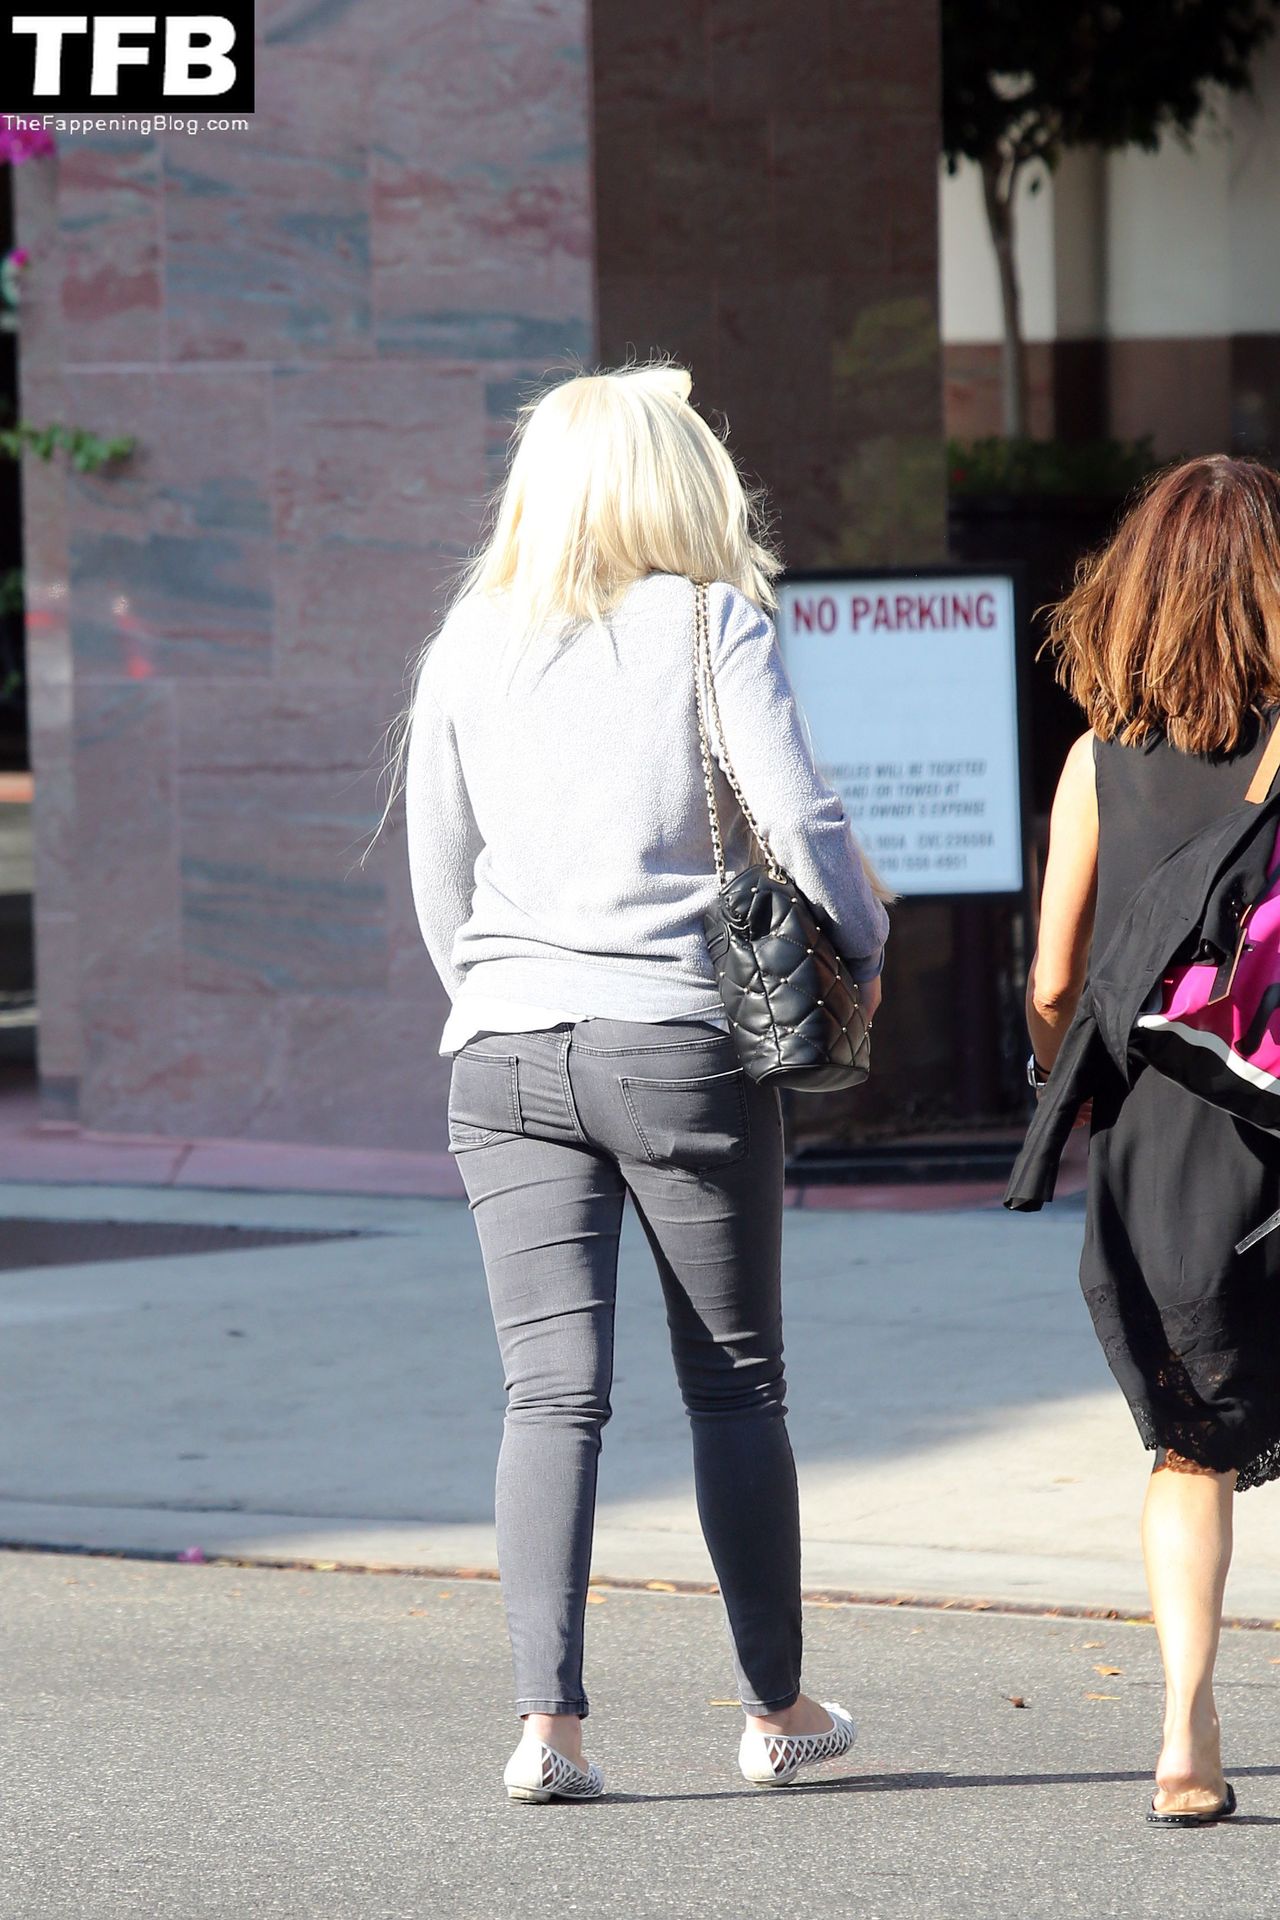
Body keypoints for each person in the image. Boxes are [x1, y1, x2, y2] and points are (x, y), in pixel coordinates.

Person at [390, 363, 889, 1802]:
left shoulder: (467, 641)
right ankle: (777, 1710)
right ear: (673, 479)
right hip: (678, 1044)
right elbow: (802, 819)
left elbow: (440, 876)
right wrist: (865, 945)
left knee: (548, 1398)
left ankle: (547, 1731)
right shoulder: (707, 620)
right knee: (735, 1386)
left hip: (501, 1051)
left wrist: (503, 991)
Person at [1026, 454, 1280, 1828]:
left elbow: (1056, 980)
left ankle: (1186, 1722)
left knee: (1191, 1450)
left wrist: (1067, 1067)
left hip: (1166, 1146)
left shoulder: (1095, 762)